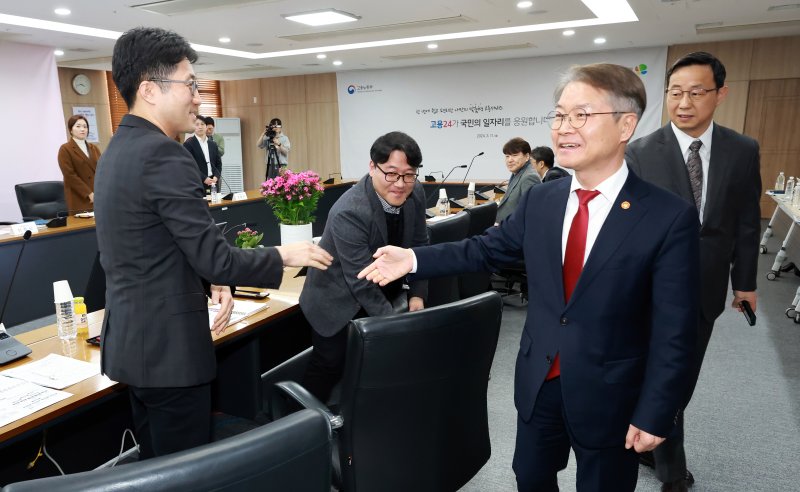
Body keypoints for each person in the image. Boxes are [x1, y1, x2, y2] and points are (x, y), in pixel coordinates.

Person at [358, 63, 700, 491]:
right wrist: (413, 260)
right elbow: (485, 248)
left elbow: (676, 329)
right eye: (559, 115)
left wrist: (656, 410)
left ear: (626, 124)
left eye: (582, 115)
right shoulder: (544, 199)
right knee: (531, 478)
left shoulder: (667, 217)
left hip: (610, 391)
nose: (564, 128)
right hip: (541, 379)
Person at [94, 27, 332, 460]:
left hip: (135, 346)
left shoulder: (118, 149)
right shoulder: (165, 154)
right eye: (190, 84)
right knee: (185, 473)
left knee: (157, 467)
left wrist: (209, 278)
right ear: (149, 89)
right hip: (170, 353)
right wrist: (285, 253)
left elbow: (157, 247)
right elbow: (215, 258)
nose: (198, 97)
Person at [625, 51, 761, 492]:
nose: (684, 102)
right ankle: (672, 474)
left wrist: (745, 283)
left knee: (682, 381)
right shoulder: (641, 152)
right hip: (650, 289)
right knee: (665, 375)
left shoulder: (742, 150)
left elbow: (744, 221)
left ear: (720, 94)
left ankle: (648, 442)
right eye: (675, 92)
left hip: (705, 288)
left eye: (696, 92)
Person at [299, 131, 428, 402]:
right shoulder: (351, 210)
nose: (400, 184)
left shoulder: (415, 191)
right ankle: (300, 424)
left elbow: (419, 246)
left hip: (381, 288)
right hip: (335, 298)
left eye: (408, 174)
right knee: (329, 365)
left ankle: (358, 414)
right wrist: (397, 327)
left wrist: (417, 294)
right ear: (372, 167)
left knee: (370, 363)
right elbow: (360, 280)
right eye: (391, 173)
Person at [57, 115, 102, 211]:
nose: (82, 129)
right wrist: (88, 193)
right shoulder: (65, 149)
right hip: (80, 196)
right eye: (78, 126)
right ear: (71, 129)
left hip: (98, 195)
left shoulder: (94, 148)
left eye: (85, 127)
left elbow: (102, 170)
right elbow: (69, 175)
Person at [496, 137, 541, 224]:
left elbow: (530, 212)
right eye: (507, 156)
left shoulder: (530, 177)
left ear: (527, 156)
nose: (510, 160)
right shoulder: (517, 173)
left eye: (514, 155)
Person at [183, 115, 222, 194]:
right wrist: (204, 178)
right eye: (197, 124)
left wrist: (216, 177)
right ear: (193, 127)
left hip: (213, 183)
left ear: (206, 126)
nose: (200, 127)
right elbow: (189, 166)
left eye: (202, 124)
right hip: (197, 184)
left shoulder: (213, 144)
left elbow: (218, 164)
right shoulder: (188, 144)